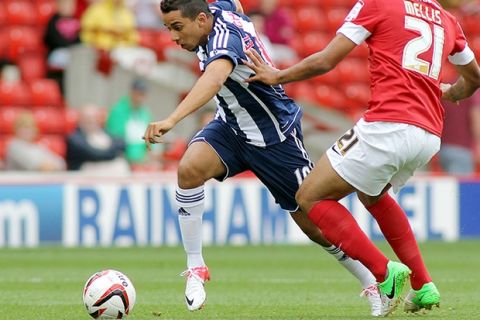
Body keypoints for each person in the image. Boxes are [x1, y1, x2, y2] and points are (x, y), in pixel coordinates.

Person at [143, 0, 382, 316]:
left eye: (177, 27)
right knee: (189, 169)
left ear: (201, 20)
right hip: (231, 127)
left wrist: (172, 119)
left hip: (274, 137)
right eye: (167, 28)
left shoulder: (222, 39)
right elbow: (236, 4)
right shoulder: (217, 9)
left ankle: (373, 281)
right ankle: (196, 267)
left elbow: (214, 79)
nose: (173, 37)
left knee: (314, 224)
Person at [243, 0, 480, 315]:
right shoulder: (446, 19)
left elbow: (327, 60)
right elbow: (474, 78)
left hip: (388, 125)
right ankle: (423, 286)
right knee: (374, 194)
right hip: (427, 134)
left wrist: (278, 75)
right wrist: (452, 93)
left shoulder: (378, 4)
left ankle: (384, 272)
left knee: (310, 197)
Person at [66, 104, 130, 174]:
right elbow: (94, 154)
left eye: (94, 117)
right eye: (87, 117)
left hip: (107, 166)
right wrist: (113, 152)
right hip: (86, 171)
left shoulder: (104, 132)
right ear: (80, 118)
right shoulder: (74, 137)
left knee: (122, 164)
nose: (91, 120)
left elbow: (122, 143)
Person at [106, 78, 156, 165]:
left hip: (143, 160)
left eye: (143, 94)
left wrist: (151, 153)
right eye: (139, 93)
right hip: (123, 160)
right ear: (132, 92)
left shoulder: (145, 113)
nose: (141, 97)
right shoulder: (118, 111)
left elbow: (151, 137)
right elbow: (116, 138)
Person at [43, 0, 81, 92]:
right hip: (58, 53)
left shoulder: (76, 22)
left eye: (70, 5)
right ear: (58, 6)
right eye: (64, 4)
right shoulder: (53, 21)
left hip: (73, 53)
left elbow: (80, 40)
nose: (67, 7)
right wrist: (70, 46)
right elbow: (52, 39)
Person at [440, 89, 480, 175]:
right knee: (460, 186)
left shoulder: (449, 88)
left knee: (449, 183)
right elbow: (476, 120)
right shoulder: (473, 90)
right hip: (462, 150)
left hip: (443, 148)